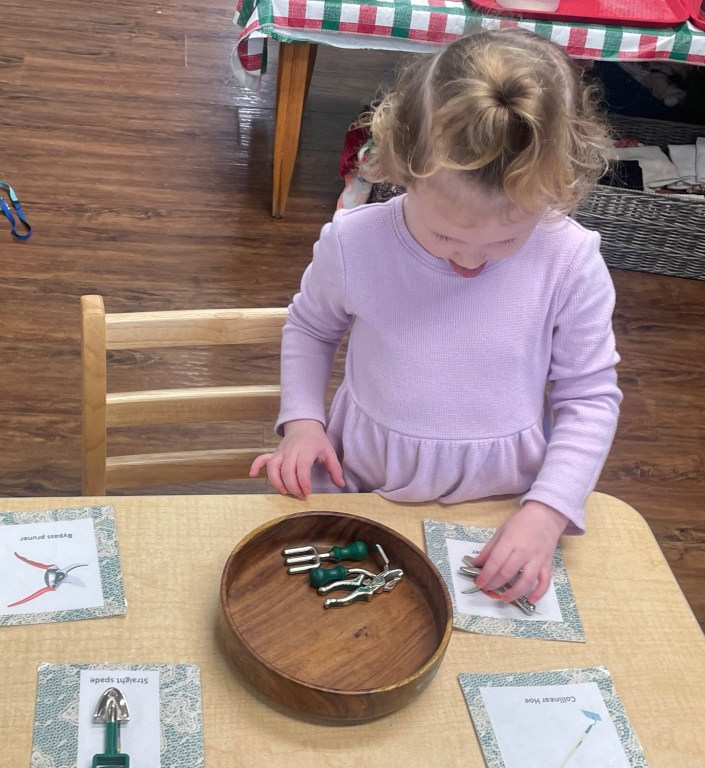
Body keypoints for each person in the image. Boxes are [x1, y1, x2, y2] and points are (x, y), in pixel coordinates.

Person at [249, 28, 621, 607]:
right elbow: (311, 327)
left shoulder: (569, 262)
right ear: (401, 166)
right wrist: (302, 423)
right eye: (444, 236)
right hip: (361, 481)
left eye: (506, 241)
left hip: (504, 504)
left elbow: (590, 396)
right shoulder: (355, 242)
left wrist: (547, 512)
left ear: (559, 190)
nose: (470, 261)